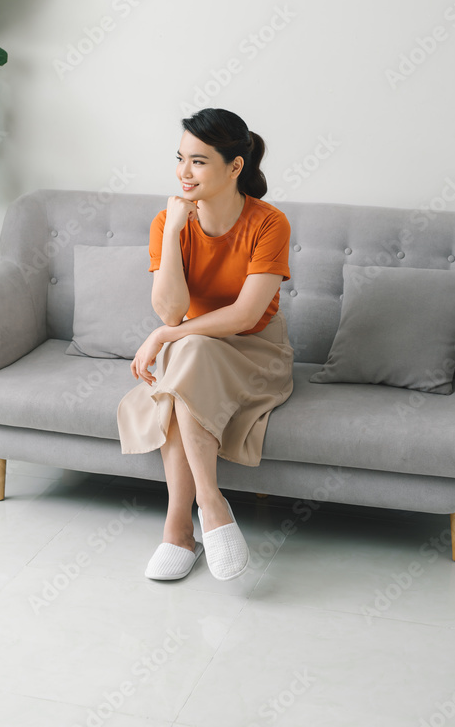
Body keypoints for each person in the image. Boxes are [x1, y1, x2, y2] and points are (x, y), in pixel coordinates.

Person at [116, 108, 294, 582]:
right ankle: (210, 506)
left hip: (254, 352)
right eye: (180, 159)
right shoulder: (166, 222)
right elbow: (171, 311)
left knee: (182, 363)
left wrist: (165, 337)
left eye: (198, 161)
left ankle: (180, 527)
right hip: (195, 347)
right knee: (189, 358)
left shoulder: (270, 223)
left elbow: (246, 315)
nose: (183, 172)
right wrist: (174, 232)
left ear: (235, 167)